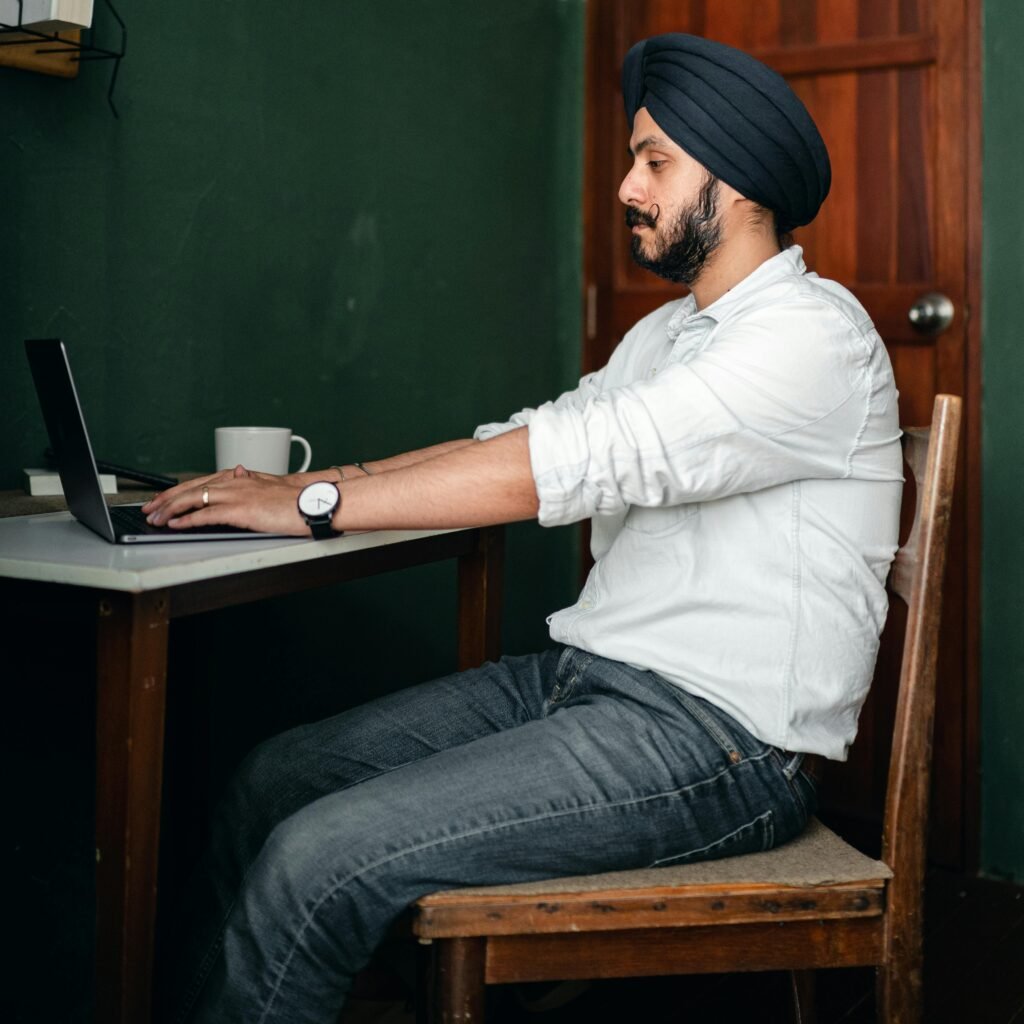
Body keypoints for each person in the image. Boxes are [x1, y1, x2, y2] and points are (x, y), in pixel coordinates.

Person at [149, 32, 903, 1024]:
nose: (628, 188)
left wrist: (309, 504)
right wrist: (294, 487)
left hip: (719, 747)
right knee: (272, 780)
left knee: (317, 858)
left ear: (743, 183)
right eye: (634, 159)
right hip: (581, 685)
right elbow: (525, 437)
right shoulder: (667, 334)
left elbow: (568, 462)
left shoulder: (812, 335)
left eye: (655, 162)